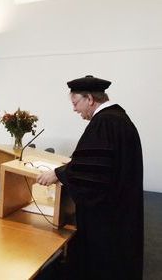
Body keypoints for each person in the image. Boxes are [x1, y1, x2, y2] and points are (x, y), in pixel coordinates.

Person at [36, 75, 143, 280]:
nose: (75, 109)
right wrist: (65, 170)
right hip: (122, 203)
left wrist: (58, 174)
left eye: (75, 103)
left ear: (90, 99)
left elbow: (91, 172)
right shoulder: (118, 118)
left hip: (109, 213)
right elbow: (93, 162)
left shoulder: (104, 123)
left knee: (103, 261)